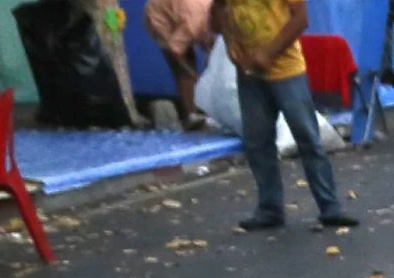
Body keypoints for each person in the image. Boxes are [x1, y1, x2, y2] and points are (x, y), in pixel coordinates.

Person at [218, 0, 354, 231]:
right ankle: (269, 209)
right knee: (258, 142)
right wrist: (231, 42)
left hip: (286, 70)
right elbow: (220, 7)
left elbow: (300, 19)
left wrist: (268, 53)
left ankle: (330, 207)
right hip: (249, 71)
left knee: (307, 137)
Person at [146, 0, 217, 128]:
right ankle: (191, 115)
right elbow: (175, 51)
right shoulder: (192, 25)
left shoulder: (215, 13)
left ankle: (198, 110)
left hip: (184, 11)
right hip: (161, 16)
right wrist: (193, 74)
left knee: (204, 58)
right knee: (185, 73)